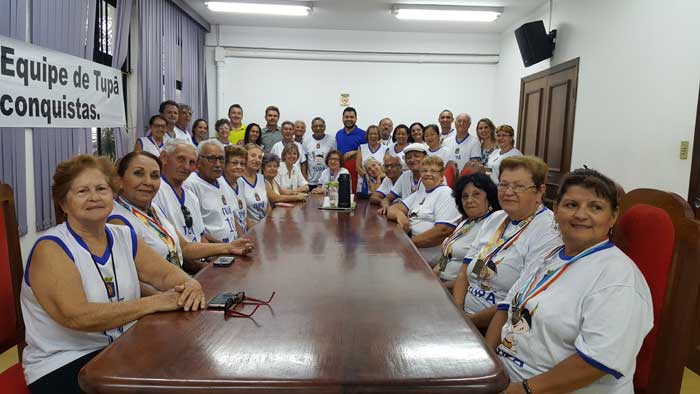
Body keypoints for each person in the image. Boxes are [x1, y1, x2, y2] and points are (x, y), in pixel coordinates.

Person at [20, 155, 206, 393]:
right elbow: (78, 317)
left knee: (191, 366)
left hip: (120, 348)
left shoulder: (123, 235)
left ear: (113, 194)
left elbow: (165, 276)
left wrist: (190, 285)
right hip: (64, 362)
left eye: (101, 189)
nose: (94, 197)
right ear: (63, 204)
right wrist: (158, 302)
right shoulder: (51, 248)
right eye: (82, 191)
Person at [488, 168, 653, 394]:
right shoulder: (548, 255)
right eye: (571, 205)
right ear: (556, 210)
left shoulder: (619, 279)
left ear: (613, 216)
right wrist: (486, 363)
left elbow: (595, 363)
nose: (581, 215)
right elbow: (506, 308)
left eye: (595, 207)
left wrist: (520, 390)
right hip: (505, 373)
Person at [452, 156, 561, 331]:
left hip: (496, 328)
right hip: (463, 317)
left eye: (518, 186)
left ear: (539, 192)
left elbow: (518, 301)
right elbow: (464, 273)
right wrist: (456, 312)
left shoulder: (549, 231)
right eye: (503, 185)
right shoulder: (496, 218)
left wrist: (469, 322)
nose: (508, 192)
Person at [109, 151, 254, 274]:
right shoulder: (118, 220)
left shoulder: (152, 208)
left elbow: (184, 247)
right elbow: (138, 278)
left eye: (154, 176)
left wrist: (228, 247)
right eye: (138, 174)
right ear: (120, 180)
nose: (148, 182)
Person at [432, 173, 500, 290]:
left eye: (476, 194)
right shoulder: (466, 223)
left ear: (489, 197)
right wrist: (433, 277)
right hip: (441, 283)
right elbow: (447, 255)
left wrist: (442, 288)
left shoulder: (493, 224)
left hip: (459, 289)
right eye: (465, 196)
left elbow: (476, 273)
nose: (469, 200)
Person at [387, 156, 461, 247]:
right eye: (424, 171)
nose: (428, 174)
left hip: (427, 254)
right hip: (411, 245)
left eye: (433, 171)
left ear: (441, 176)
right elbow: (392, 209)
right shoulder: (419, 193)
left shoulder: (446, 194)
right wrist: (401, 216)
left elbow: (443, 230)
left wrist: (408, 244)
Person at [183, 139, 241, 242]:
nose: (218, 164)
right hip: (214, 252)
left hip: (233, 247)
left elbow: (232, 217)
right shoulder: (190, 185)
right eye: (212, 159)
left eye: (221, 159)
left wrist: (242, 241)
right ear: (198, 161)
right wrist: (225, 249)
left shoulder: (222, 180)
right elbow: (197, 231)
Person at [152, 140, 206, 244]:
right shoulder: (154, 192)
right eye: (181, 159)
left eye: (191, 162)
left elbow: (200, 236)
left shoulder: (192, 197)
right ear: (164, 157)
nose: (186, 167)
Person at [377, 143, 428, 214]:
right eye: (409, 157)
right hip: (404, 216)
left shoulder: (433, 177)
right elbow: (386, 199)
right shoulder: (405, 176)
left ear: (426, 157)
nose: (412, 160)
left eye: (416, 156)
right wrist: (386, 206)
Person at [238, 144, 271, 224]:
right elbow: (242, 215)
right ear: (244, 158)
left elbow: (268, 206)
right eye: (253, 156)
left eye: (260, 157)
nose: (257, 160)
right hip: (250, 230)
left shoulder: (262, 178)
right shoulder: (238, 180)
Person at [222, 145, 251, 233]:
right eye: (234, 163)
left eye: (242, 164)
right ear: (225, 164)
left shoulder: (241, 182)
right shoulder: (220, 184)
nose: (239, 167)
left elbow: (244, 216)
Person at [303, 117, 337, 192]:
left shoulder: (332, 140)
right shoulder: (306, 140)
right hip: (311, 181)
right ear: (312, 128)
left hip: (327, 181)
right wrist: (305, 179)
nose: (318, 128)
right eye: (315, 126)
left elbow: (335, 160)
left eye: (321, 126)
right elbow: (304, 162)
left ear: (324, 127)